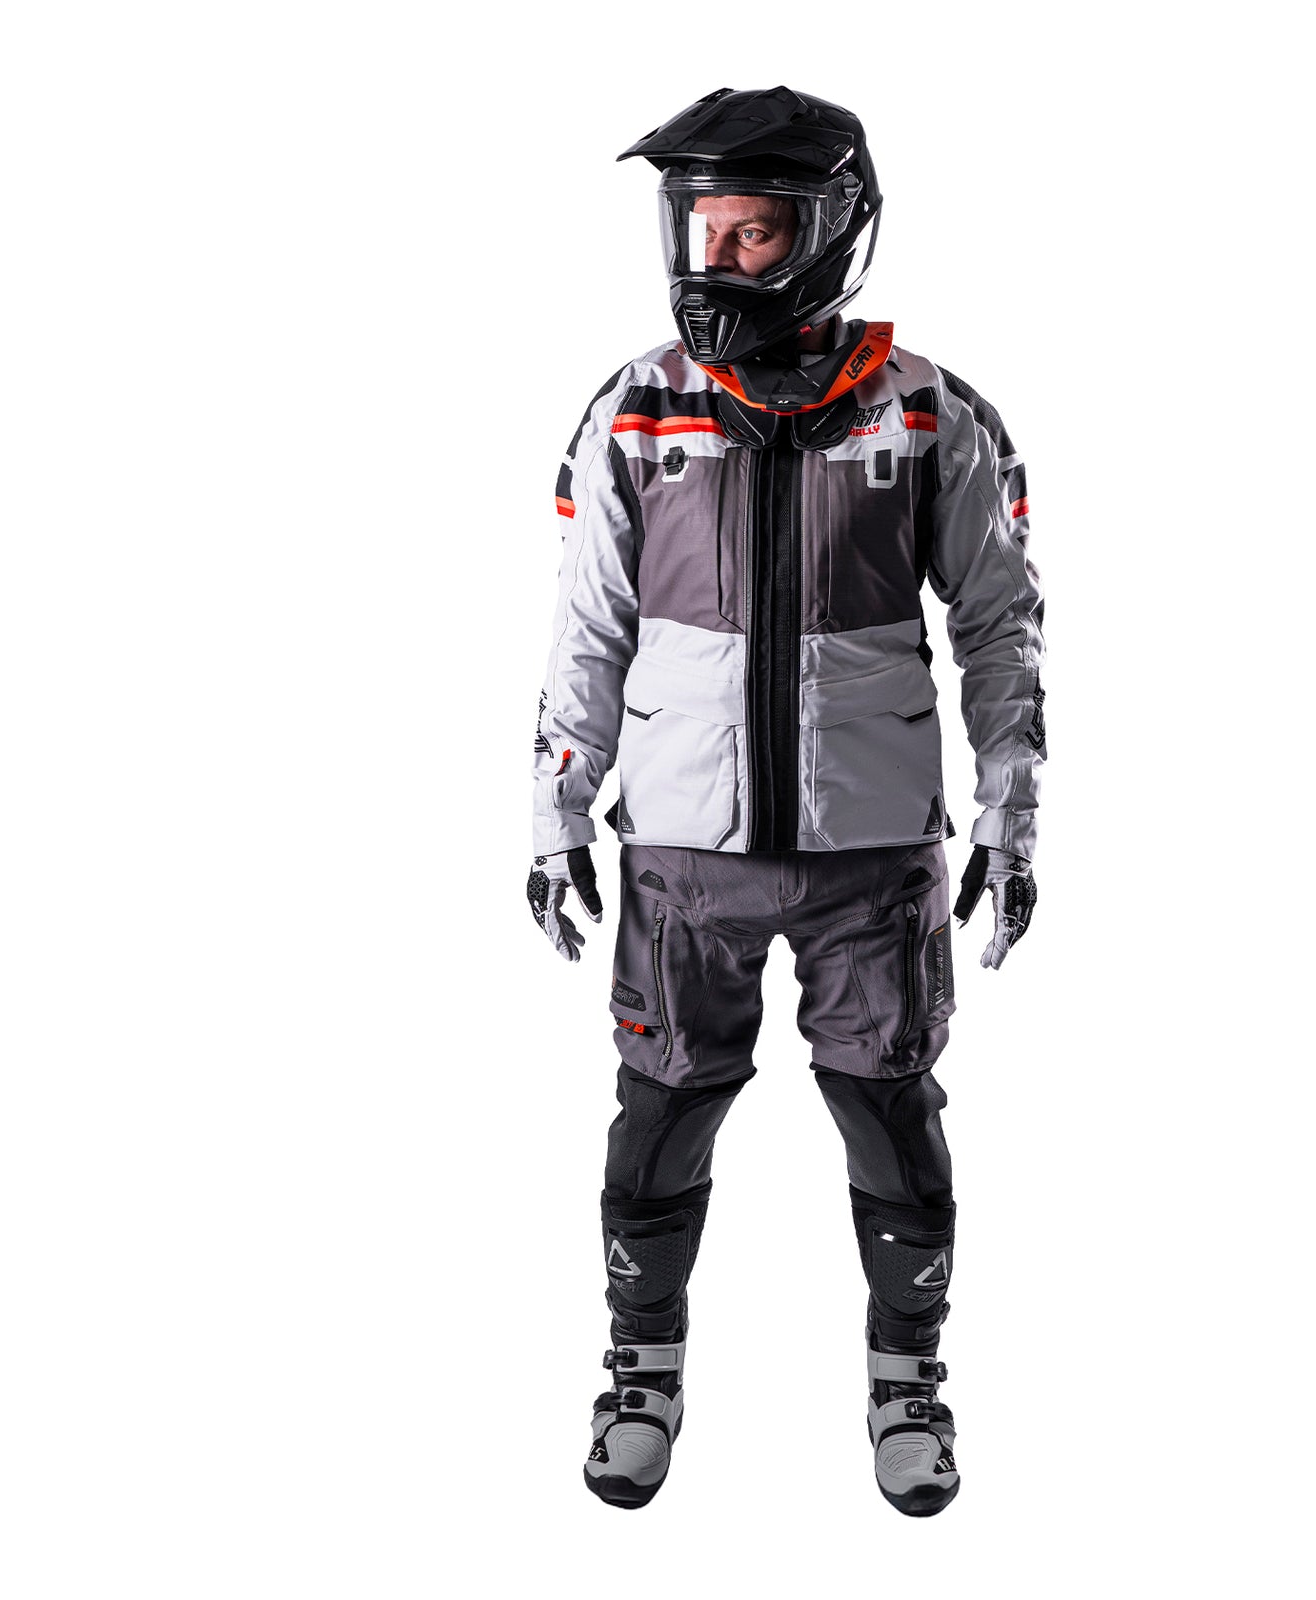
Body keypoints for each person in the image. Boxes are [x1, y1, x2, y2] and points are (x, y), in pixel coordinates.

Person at [528, 85, 1044, 1516]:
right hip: (682, 858)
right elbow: (587, 628)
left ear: (830, 234)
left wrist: (1012, 813)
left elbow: (1001, 626)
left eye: (753, 232)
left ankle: (908, 1384)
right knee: (658, 1114)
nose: (719, 259)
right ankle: (640, 1372)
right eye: (701, 227)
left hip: (870, 859)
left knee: (891, 1114)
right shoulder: (637, 410)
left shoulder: (927, 413)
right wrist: (555, 809)